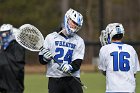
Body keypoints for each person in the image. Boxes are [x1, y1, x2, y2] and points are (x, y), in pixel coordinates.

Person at [38, 8, 85, 93]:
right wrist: (45, 58)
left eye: (77, 24)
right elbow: (41, 60)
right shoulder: (51, 37)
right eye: (73, 22)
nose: (74, 26)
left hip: (72, 79)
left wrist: (70, 67)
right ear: (67, 19)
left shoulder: (79, 41)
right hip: (55, 79)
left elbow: (77, 62)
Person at [98, 23, 140, 93]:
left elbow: (103, 71)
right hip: (129, 90)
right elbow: (134, 72)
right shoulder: (131, 49)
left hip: (112, 90)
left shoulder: (105, 49)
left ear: (110, 33)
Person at [0, 24, 25, 93]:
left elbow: (17, 64)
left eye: (6, 32)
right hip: (3, 84)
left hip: (13, 84)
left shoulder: (16, 46)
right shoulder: (2, 47)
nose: (4, 35)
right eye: (2, 33)